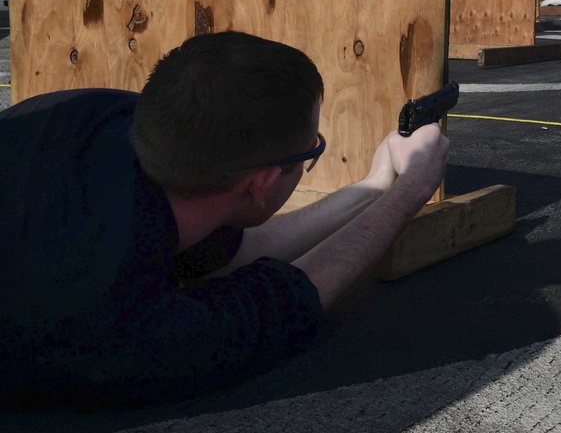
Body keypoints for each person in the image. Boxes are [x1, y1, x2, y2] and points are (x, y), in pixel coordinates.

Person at [0, 30, 449, 408]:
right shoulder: (117, 324)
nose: (314, 150)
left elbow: (235, 251)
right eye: (313, 151)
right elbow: (289, 302)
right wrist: (413, 189)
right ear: (262, 183)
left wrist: (376, 184)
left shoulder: (99, 117)